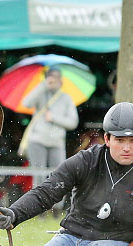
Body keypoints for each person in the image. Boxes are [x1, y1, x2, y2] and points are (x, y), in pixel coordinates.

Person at [0, 102, 133, 246]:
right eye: (120, 140)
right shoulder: (85, 161)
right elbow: (46, 192)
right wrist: (15, 213)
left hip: (113, 243)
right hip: (70, 238)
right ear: (107, 138)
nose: (127, 148)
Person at [21, 67, 79, 202]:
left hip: (56, 142)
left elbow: (73, 122)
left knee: (59, 174)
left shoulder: (66, 98)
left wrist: (54, 118)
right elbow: (26, 103)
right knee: (39, 175)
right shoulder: (40, 93)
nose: (53, 81)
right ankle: (37, 205)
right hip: (37, 140)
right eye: (50, 78)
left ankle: (57, 206)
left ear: (61, 80)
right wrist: (42, 86)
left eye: (56, 78)